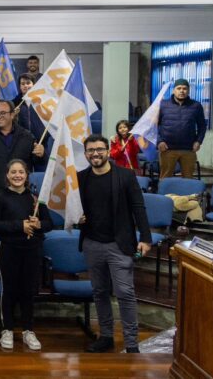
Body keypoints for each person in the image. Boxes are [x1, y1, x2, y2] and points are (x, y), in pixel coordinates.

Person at [78, 135, 151, 354]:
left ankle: (131, 343)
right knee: (99, 292)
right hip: (92, 243)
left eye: (99, 149)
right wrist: (76, 217)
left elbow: (139, 207)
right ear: (85, 154)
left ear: (108, 151)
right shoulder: (80, 178)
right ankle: (106, 336)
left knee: (125, 293)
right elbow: (73, 208)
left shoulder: (125, 175)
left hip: (119, 244)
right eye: (91, 150)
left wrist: (145, 238)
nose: (95, 154)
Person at [0, 159, 51, 351]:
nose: (17, 175)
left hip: (32, 250)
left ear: (26, 175)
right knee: (9, 290)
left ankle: (28, 330)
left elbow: (49, 223)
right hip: (9, 249)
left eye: (21, 172)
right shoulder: (0, 198)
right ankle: (7, 329)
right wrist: (19, 226)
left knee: (28, 291)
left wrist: (39, 224)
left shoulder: (35, 199)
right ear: (7, 175)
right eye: (13, 172)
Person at [157, 79, 206, 179]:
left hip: (188, 149)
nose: (182, 91)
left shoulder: (196, 106)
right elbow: (154, 126)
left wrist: (198, 141)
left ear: (188, 90)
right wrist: (159, 141)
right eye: (179, 88)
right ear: (173, 90)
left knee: (188, 179)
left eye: (184, 88)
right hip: (167, 149)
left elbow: (202, 126)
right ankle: (164, 190)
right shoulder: (163, 105)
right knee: (165, 179)